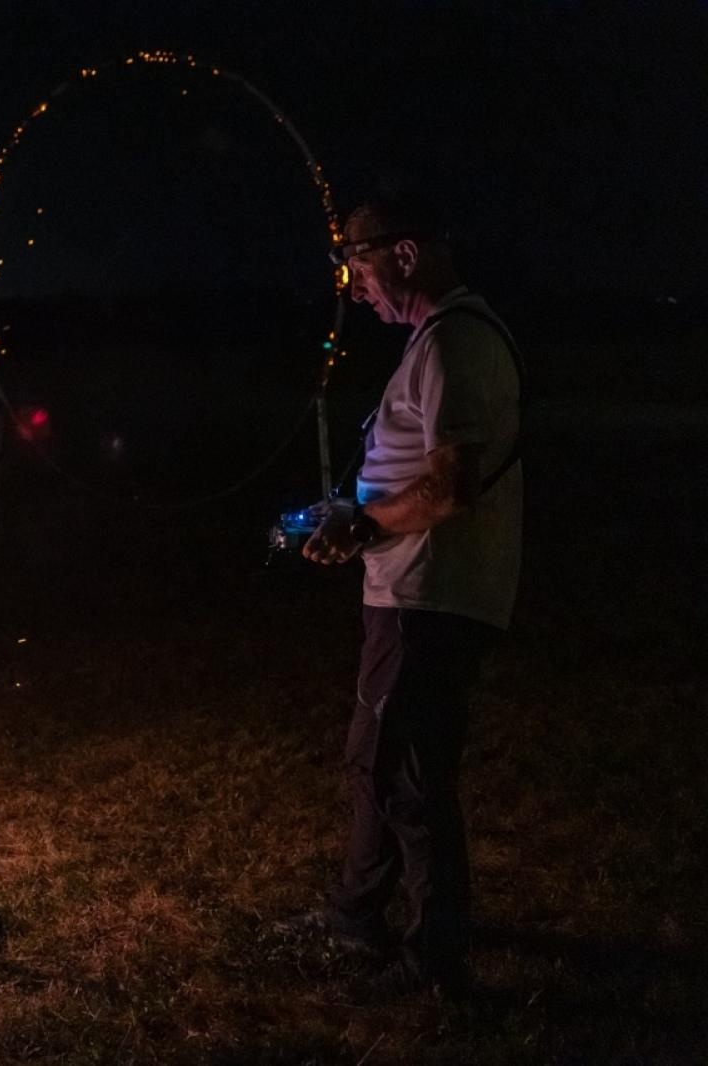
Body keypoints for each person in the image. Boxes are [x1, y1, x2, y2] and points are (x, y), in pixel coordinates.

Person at [290, 193, 523, 996]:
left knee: (406, 779)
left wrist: (363, 522)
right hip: (407, 596)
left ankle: (434, 960)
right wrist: (354, 515)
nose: (354, 285)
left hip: (432, 599)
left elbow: (452, 486)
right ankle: (355, 915)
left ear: (407, 254)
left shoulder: (457, 340)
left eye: (358, 262)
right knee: (380, 764)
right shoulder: (436, 340)